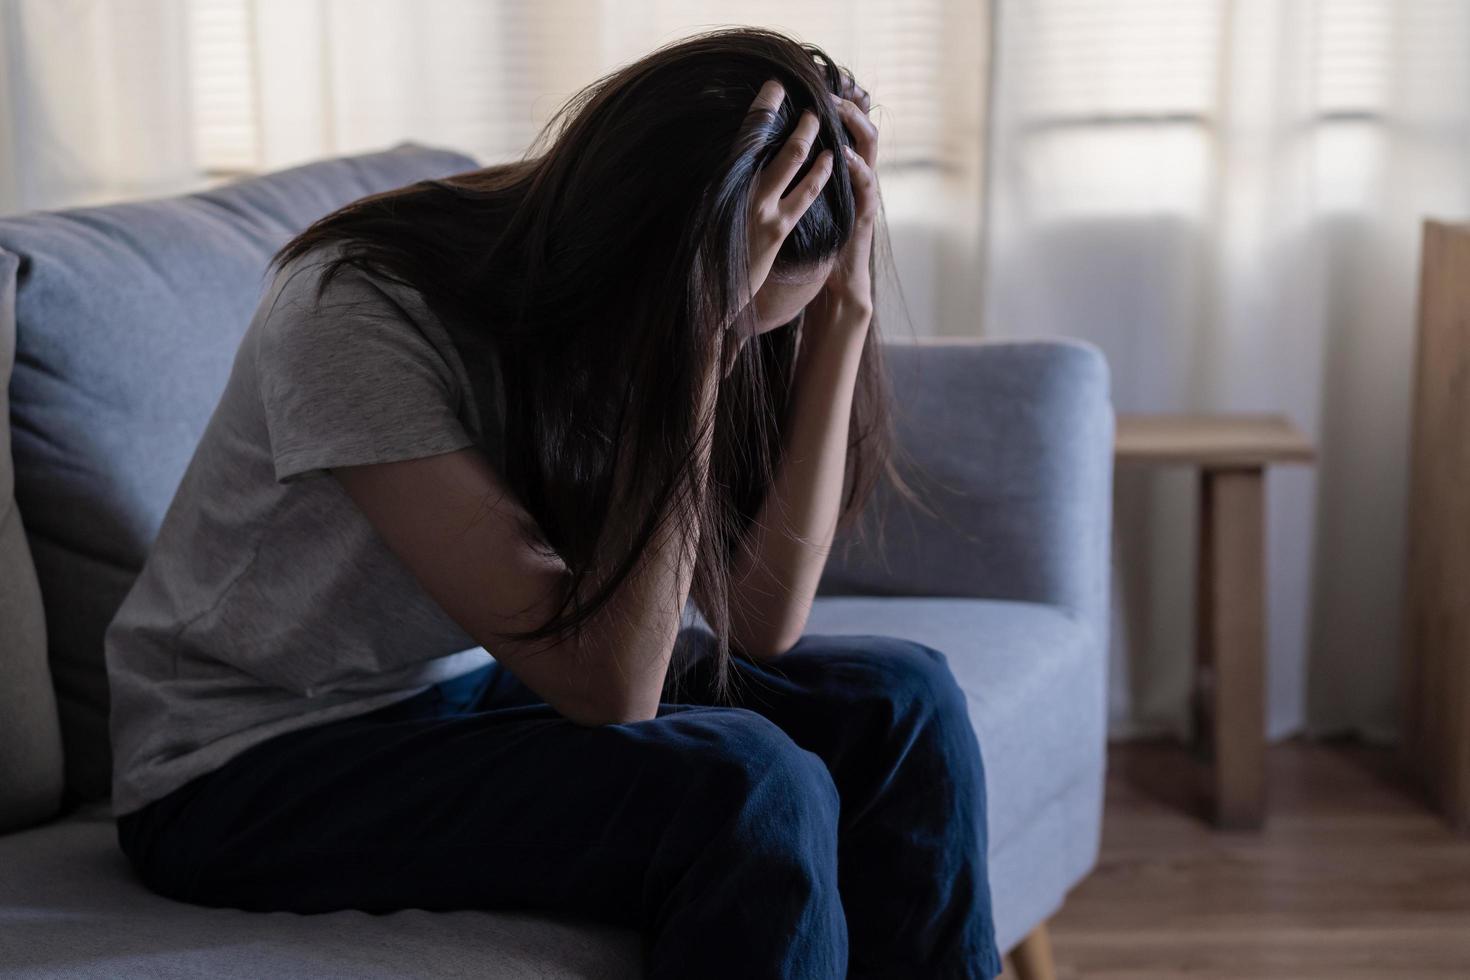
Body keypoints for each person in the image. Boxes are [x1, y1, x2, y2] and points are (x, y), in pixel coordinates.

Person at [105, 26, 1003, 980]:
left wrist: (844, 310)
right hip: (242, 764)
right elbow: (612, 691)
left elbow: (764, 618)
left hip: (455, 687)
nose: (742, 348)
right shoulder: (356, 310)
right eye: (734, 320)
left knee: (902, 702)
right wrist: (695, 344)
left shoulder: (674, 282)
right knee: (747, 785)